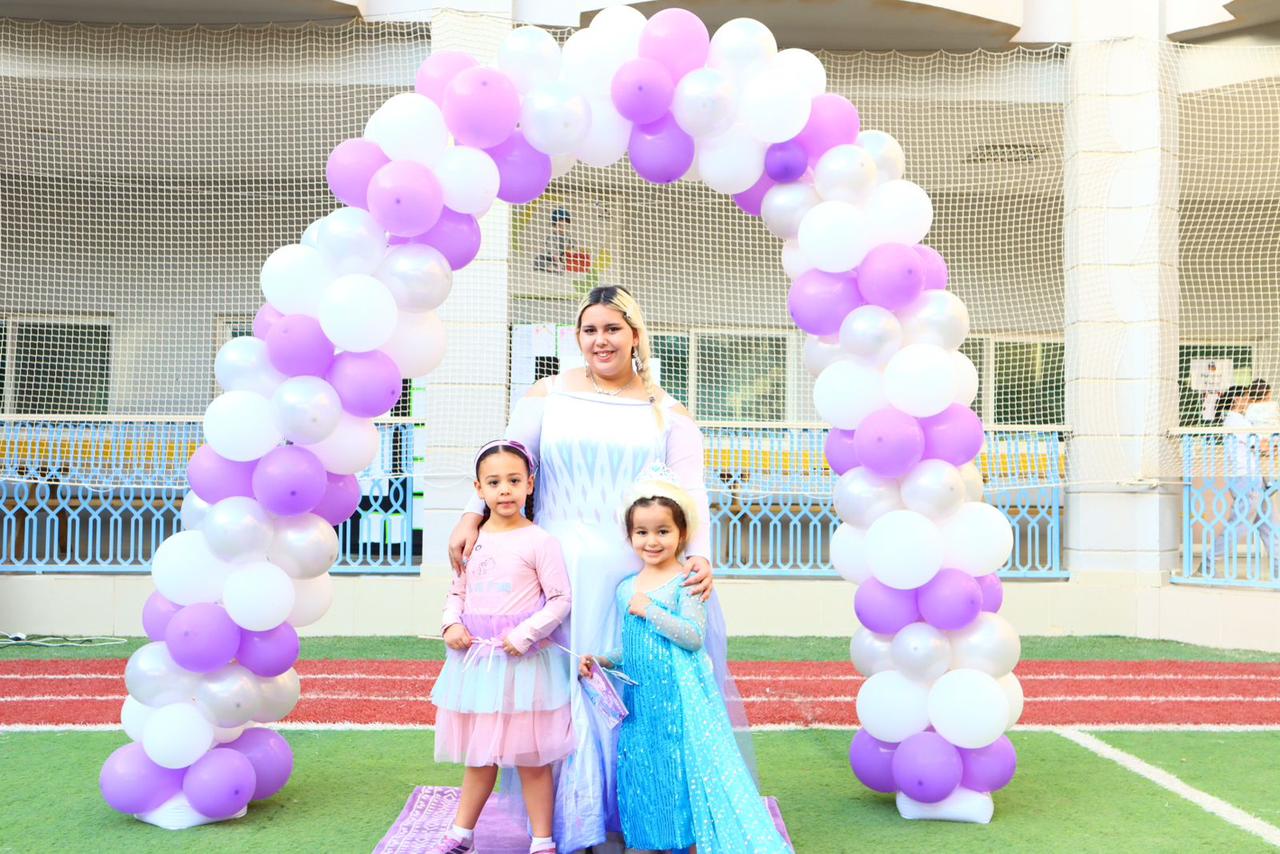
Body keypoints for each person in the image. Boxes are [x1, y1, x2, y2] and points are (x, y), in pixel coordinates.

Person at [447, 285, 734, 853]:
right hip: (547, 566)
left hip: (631, 572)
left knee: (617, 683)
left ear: (635, 335)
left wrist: (700, 555)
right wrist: (469, 514)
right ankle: (564, 826)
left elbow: (691, 491)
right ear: (578, 337)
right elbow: (506, 463)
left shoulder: (668, 412)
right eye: (589, 330)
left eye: (612, 329)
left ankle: (622, 817)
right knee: (553, 685)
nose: (600, 340)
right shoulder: (546, 395)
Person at [580, 475, 790, 854]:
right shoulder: (626, 587)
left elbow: (693, 635)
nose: (652, 541)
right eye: (642, 532)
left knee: (681, 768)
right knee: (645, 767)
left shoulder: (687, 583)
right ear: (630, 536)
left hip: (678, 700)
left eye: (663, 531)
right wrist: (600, 660)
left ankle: (688, 842)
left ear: (682, 534)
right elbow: (631, 645)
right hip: (640, 702)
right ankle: (649, 839)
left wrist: (651, 610)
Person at [430, 440, 573, 854]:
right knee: (480, 756)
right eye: (494, 482)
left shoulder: (540, 541)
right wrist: (450, 624)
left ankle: (542, 839)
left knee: (531, 757)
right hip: (479, 665)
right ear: (478, 489)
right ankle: (462, 833)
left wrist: (526, 634)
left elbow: (560, 599)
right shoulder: (471, 540)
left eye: (514, 480)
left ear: (530, 484)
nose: (504, 490)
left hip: (525, 665)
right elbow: (457, 591)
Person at [1205, 385, 1265, 575]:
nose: (1249, 400)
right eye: (1246, 396)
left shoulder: (1241, 420)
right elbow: (1260, 446)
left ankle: (1277, 566)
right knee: (1239, 525)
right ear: (1237, 399)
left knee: (1268, 525)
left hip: (1252, 478)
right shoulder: (1236, 420)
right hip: (1245, 479)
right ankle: (1207, 564)